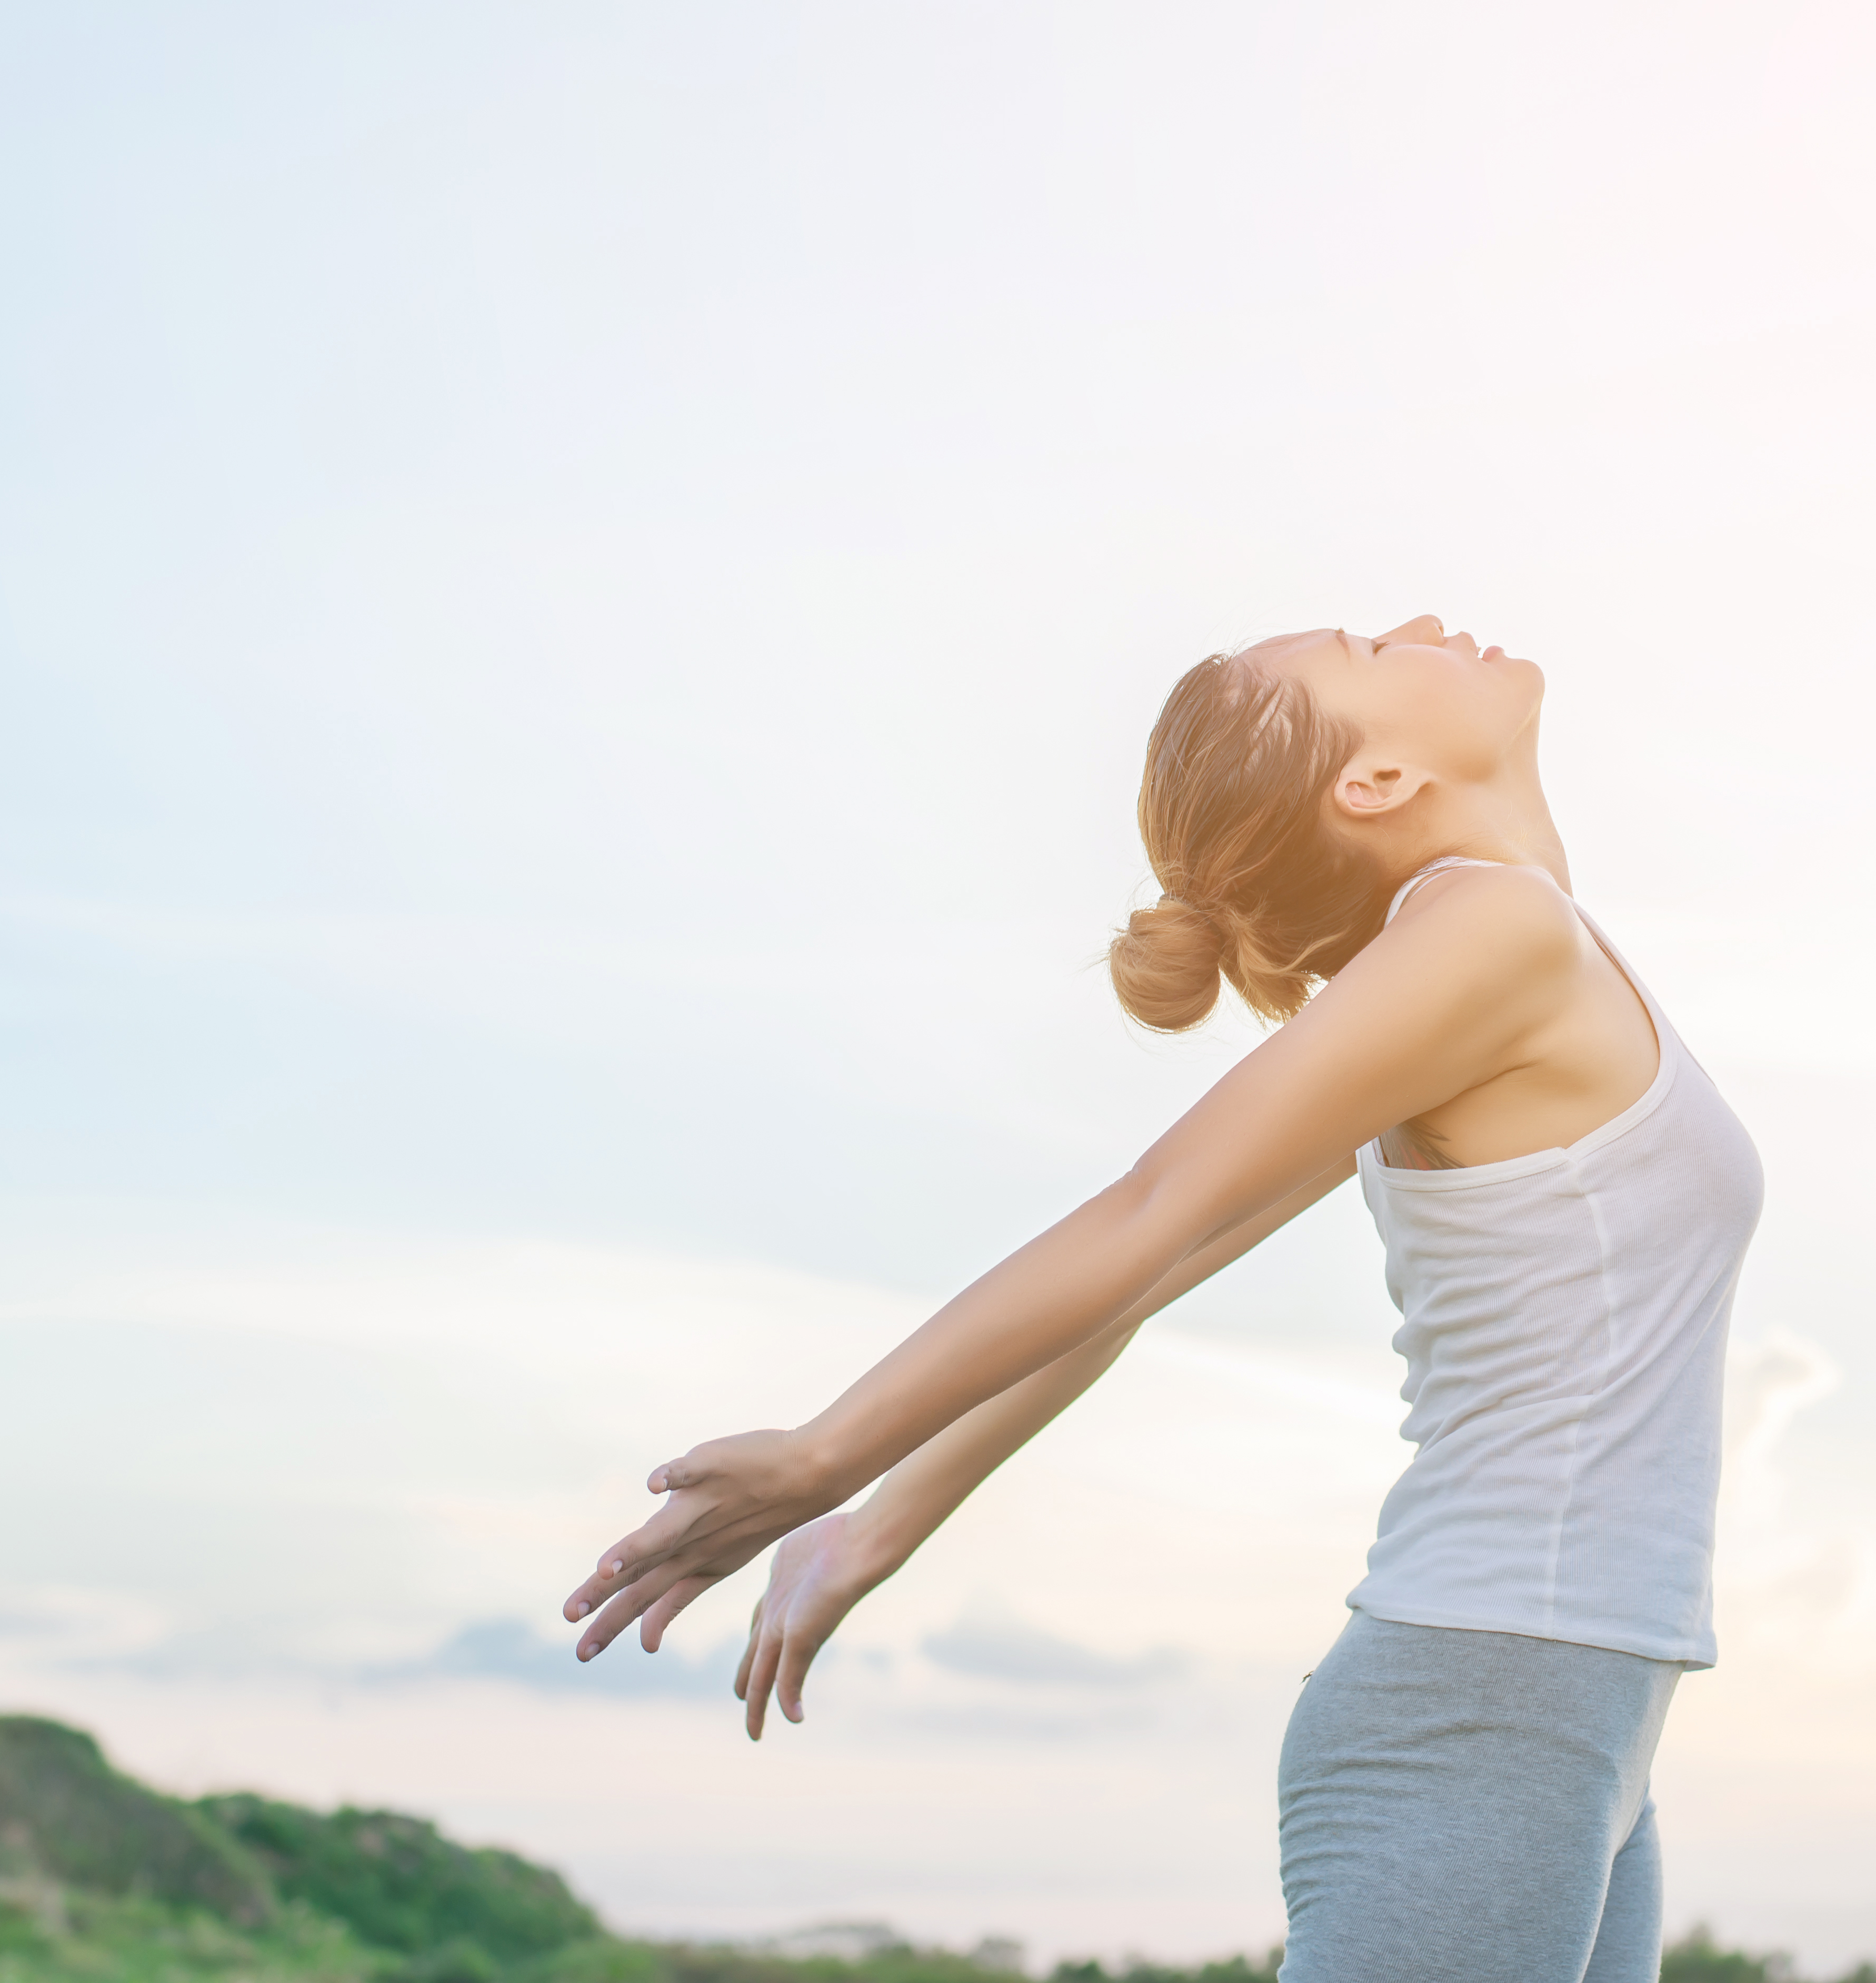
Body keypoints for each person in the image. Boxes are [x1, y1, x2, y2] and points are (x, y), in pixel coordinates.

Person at [561, 615, 1763, 1983]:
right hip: (1483, 1705)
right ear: (1371, 785)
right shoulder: (1496, 930)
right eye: (1372, 648)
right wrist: (834, 1455)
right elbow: (1152, 1216)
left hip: (1578, 1711)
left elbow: (1149, 1278)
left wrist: (874, 1526)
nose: (1423, 625)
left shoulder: (1491, 966)